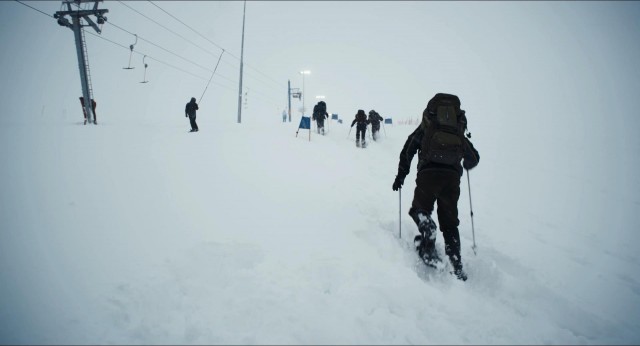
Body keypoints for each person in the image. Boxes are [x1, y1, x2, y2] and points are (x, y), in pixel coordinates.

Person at [392, 93, 479, 281]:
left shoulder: (427, 128)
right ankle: (456, 266)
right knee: (449, 224)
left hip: (428, 175)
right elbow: (474, 157)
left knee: (419, 209)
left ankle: (427, 230)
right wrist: (465, 164)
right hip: (452, 179)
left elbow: (409, 148)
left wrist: (401, 175)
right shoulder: (457, 130)